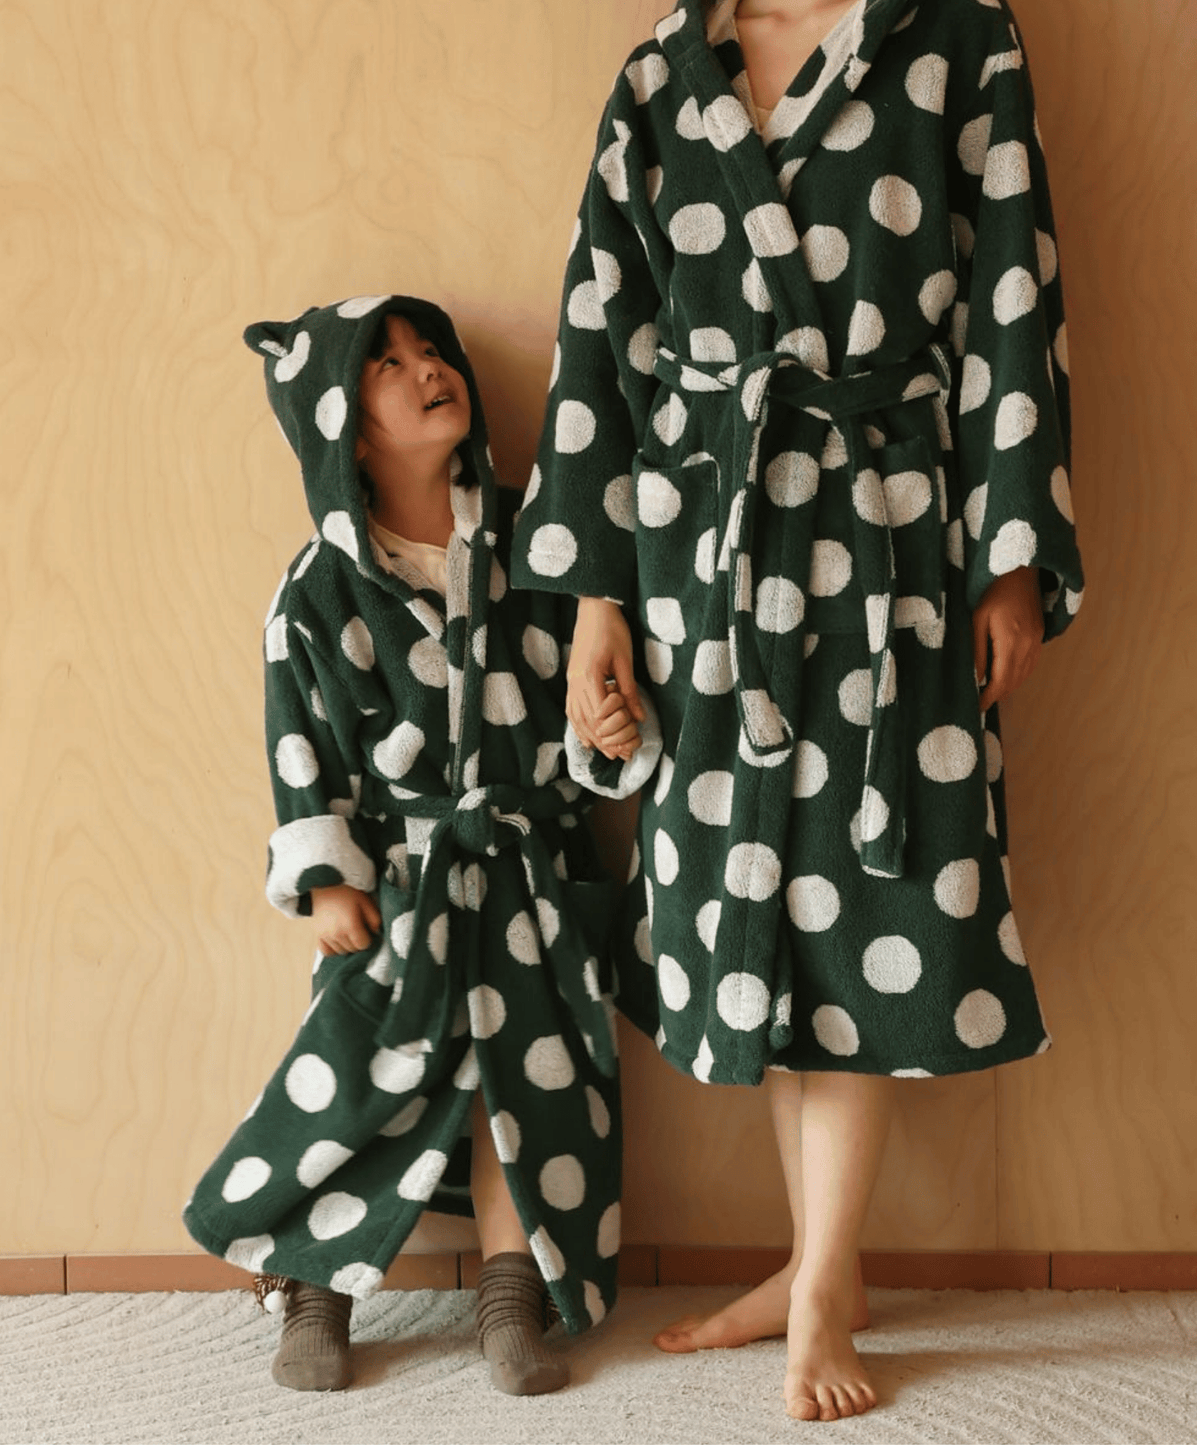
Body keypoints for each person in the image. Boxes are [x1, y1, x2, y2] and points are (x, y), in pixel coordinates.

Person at [511, 0, 1082, 1422]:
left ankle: (825, 1275)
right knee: (765, 910)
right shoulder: (659, 71)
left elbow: (1015, 288)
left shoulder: (956, 37)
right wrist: (597, 607)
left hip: (893, 534)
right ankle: (815, 1259)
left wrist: (1010, 560)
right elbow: (601, 340)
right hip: (702, 549)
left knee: (870, 895)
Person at [183, 296, 659, 1395]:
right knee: (361, 1079)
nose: (427, 369)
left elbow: (577, 701)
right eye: (387, 366)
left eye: (431, 349)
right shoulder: (316, 590)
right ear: (346, 428)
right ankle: (312, 1284)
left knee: (522, 1083)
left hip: (527, 874)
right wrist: (323, 883)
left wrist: (600, 741)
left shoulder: (531, 546)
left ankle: (508, 1289)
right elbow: (296, 740)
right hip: (396, 877)